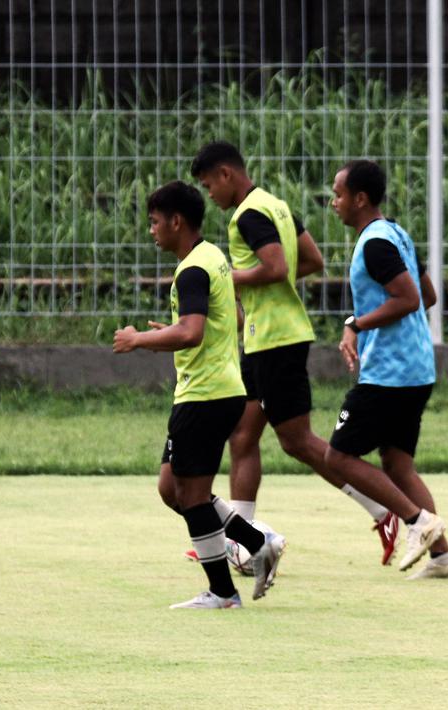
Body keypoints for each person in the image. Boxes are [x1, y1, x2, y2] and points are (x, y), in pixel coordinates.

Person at [190, 142, 401, 567]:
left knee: (300, 442)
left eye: (209, 184)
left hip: (277, 340)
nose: (209, 194)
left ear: (227, 175)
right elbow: (311, 259)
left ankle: (385, 511)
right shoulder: (277, 206)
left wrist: (226, 279)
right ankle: (243, 539)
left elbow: (276, 268)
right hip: (264, 339)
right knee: (245, 436)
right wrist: (263, 285)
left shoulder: (248, 214)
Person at [113, 181, 284, 608]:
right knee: (172, 488)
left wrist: (139, 340)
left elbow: (191, 332)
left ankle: (223, 592)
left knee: (190, 495)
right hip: (218, 389)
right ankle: (257, 542)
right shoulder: (213, 259)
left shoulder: (192, 268)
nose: (151, 230)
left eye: (154, 222)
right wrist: (170, 334)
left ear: (176, 221)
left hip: (205, 394)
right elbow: (231, 316)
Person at [323, 159, 448, 580]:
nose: (334, 202)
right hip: (417, 368)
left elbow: (408, 299)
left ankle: (417, 521)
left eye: (339, 194)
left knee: (338, 457)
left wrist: (356, 324)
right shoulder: (396, 233)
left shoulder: (375, 243)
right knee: (398, 464)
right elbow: (428, 295)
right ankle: (443, 557)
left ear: (360, 198)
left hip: (390, 374)